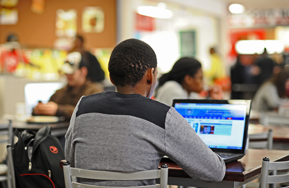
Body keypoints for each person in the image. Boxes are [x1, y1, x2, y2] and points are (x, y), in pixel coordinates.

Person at [65, 38, 225, 186]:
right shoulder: (162, 116)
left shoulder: (82, 107)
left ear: (112, 78)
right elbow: (215, 171)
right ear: (150, 75)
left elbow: (71, 159)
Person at [33, 51, 104, 121]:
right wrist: (41, 109)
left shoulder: (94, 90)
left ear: (83, 71)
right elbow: (49, 105)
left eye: (71, 72)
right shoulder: (61, 92)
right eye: (66, 72)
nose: (68, 75)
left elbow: (89, 114)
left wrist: (58, 110)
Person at [155, 57, 223, 106]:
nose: (203, 82)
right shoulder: (172, 88)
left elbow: (199, 107)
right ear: (188, 79)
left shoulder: (190, 92)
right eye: (201, 78)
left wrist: (214, 100)